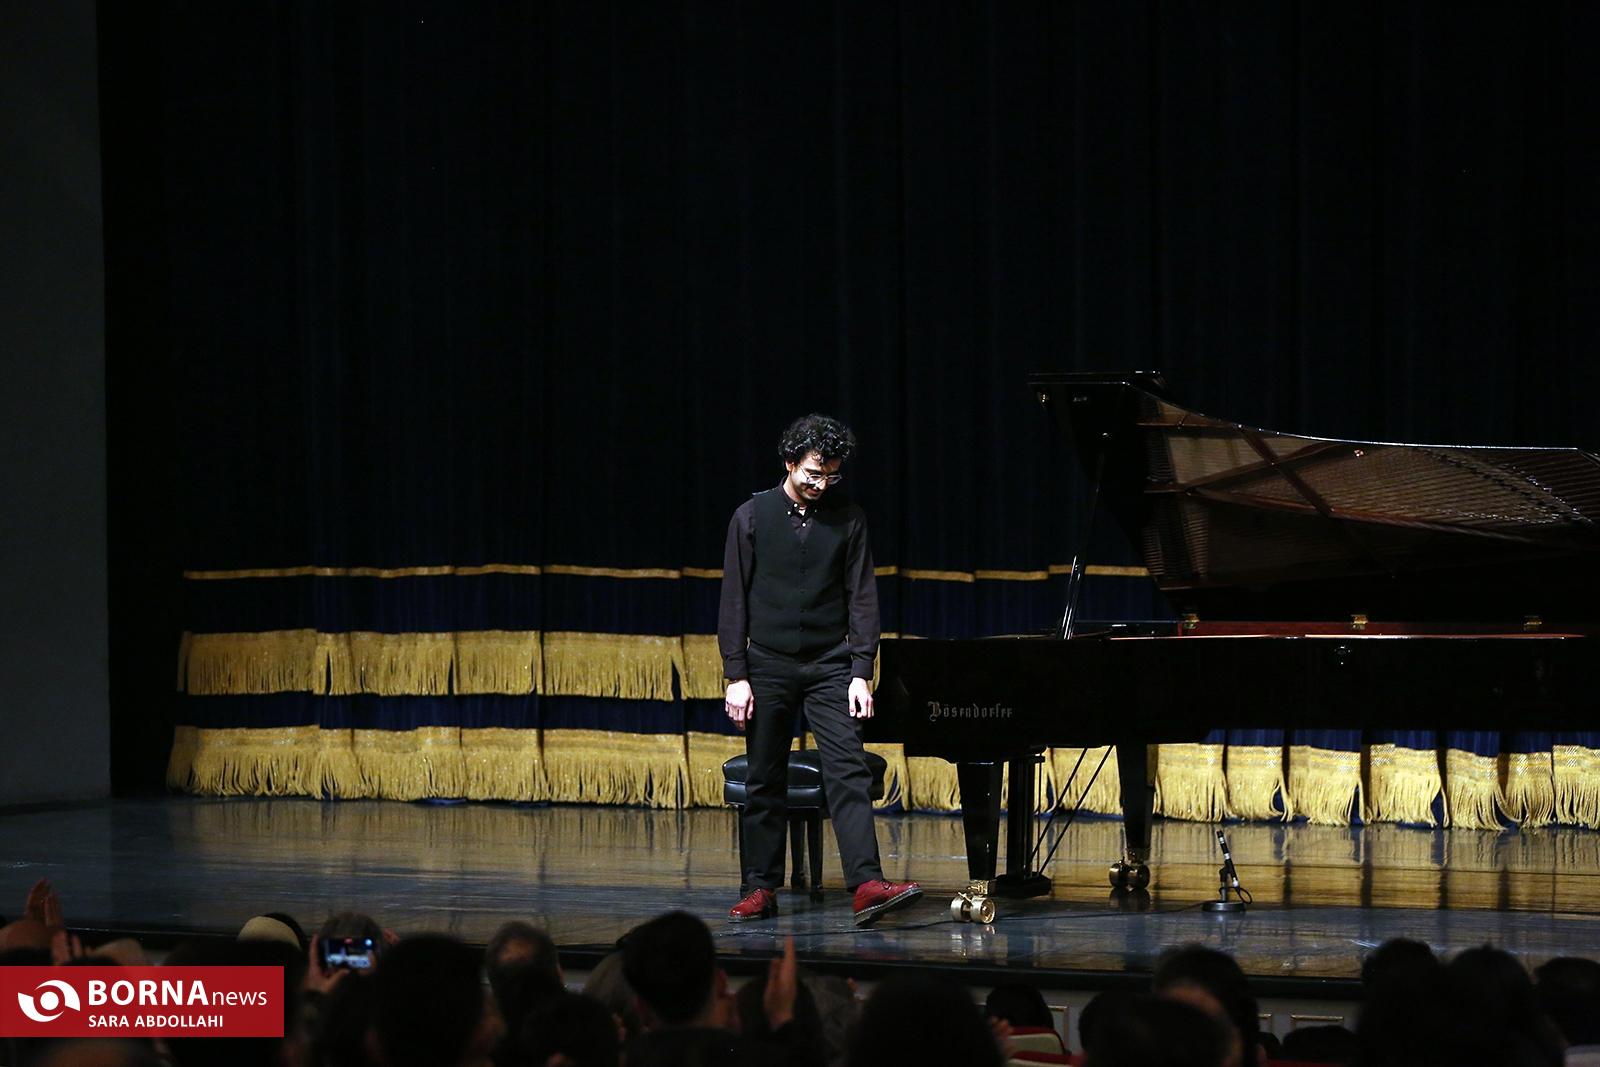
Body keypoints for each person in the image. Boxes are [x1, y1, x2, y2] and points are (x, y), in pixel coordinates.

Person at [719, 413, 920, 926]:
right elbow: (733, 600)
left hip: (831, 664)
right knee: (765, 777)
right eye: (813, 473)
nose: (821, 483)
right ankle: (759, 887)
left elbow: (862, 597)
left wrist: (861, 670)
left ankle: (867, 884)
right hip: (767, 663)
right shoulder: (751, 516)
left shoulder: (848, 518)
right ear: (790, 463)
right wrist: (736, 675)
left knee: (848, 770)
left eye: (830, 475)